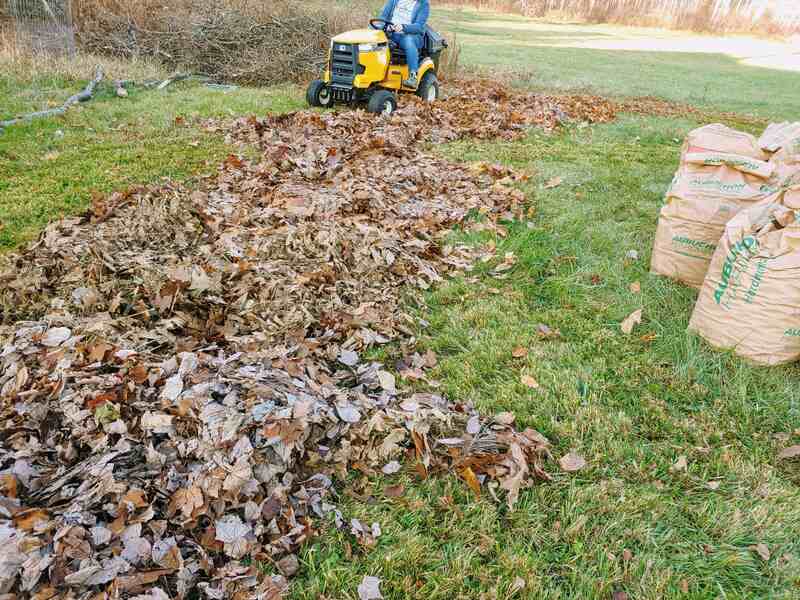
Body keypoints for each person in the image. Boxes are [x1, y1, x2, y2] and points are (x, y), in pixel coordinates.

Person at [377, 0, 430, 88]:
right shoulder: (394, 1)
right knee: (372, 37)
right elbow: (383, 17)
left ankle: (413, 77)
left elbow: (419, 27)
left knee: (409, 40)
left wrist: (403, 27)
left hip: (410, 35)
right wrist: (385, 26)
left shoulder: (423, 4)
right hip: (391, 33)